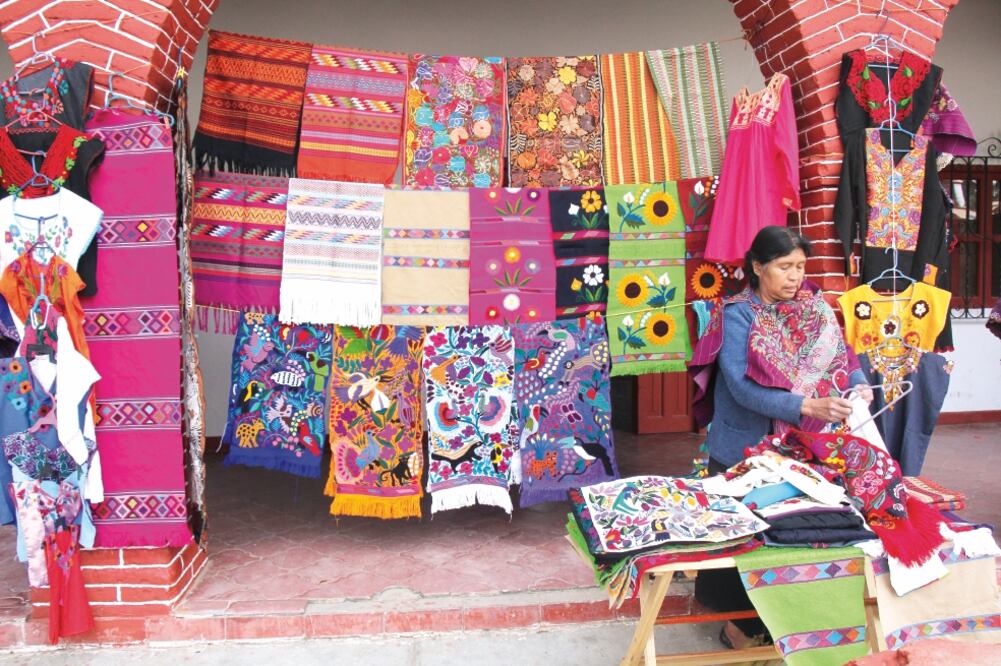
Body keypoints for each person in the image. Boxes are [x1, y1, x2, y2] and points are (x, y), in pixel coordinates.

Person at [688, 225, 872, 649]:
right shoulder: (739, 314)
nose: (794, 276)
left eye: (801, 266)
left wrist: (858, 382)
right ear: (758, 267)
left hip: (799, 448)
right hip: (743, 449)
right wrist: (806, 406)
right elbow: (740, 386)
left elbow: (843, 355)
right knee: (741, 541)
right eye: (784, 267)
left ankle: (786, 628)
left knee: (790, 540)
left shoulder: (814, 308)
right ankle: (736, 628)